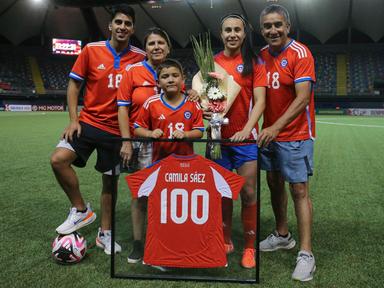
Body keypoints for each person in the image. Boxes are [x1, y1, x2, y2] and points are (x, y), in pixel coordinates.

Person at [50, 4, 145, 255]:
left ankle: (105, 234)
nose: (123, 27)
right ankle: (81, 210)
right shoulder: (91, 51)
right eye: (119, 22)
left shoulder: (141, 57)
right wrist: (73, 119)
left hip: (117, 131)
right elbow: (73, 87)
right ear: (110, 26)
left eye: (127, 23)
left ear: (132, 28)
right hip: (89, 123)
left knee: (110, 183)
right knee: (58, 160)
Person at [117, 28, 199, 263]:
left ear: (168, 47)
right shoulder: (132, 72)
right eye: (151, 43)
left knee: (170, 195)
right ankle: (138, 243)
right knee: (141, 194)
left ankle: (167, 241)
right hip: (145, 144)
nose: (156, 46)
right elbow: (123, 109)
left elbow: (186, 104)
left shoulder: (174, 74)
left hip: (176, 149)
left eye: (161, 42)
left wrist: (193, 92)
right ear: (146, 48)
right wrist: (127, 141)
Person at [257, 4, 316, 282]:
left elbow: (302, 98)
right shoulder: (260, 56)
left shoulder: (300, 53)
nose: (273, 30)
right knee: (273, 182)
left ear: (287, 26)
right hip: (269, 134)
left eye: (277, 25)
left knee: (299, 190)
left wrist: (275, 127)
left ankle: (306, 254)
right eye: (267, 26)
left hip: (295, 134)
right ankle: (283, 235)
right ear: (262, 30)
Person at [209, 13, 267, 269]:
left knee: (249, 192)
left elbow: (261, 101)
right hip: (218, 139)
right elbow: (208, 98)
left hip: (245, 140)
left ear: (245, 34)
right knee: (222, 193)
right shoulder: (211, 62)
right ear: (221, 34)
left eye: (237, 30)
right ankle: (224, 241)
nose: (232, 34)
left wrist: (246, 129)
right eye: (227, 30)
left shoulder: (255, 63)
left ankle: (249, 248)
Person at [134, 58, 204, 161]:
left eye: (175, 76)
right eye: (165, 77)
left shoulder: (192, 103)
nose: (171, 80)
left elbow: (199, 132)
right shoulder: (151, 103)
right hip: (159, 161)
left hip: (185, 161)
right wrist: (150, 133)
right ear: (158, 83)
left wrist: (185, 134)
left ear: (183, 79)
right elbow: (137, 129)